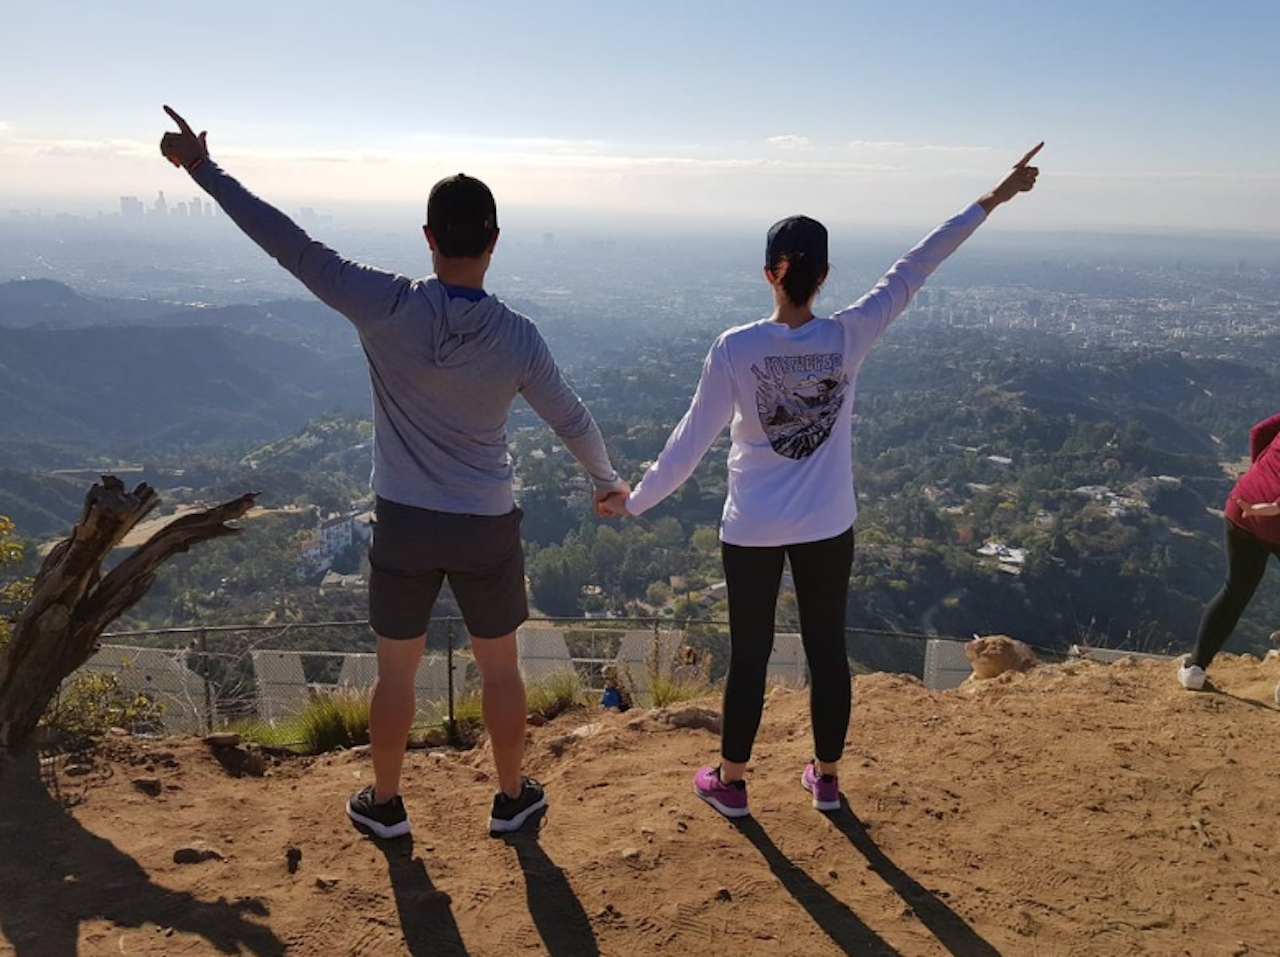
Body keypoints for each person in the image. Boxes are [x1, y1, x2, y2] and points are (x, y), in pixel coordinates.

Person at [160, 107, 629, 837]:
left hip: (405, 522)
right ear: (495, 242)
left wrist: (203, 169)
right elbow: (571, 418)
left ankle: (385, 804)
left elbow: (290, 244)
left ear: (429, 238)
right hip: (486, 524)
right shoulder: (519, 338)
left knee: (395, 674)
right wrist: (607, 481)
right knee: (502, 673)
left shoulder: (384, 305)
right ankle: (511, 799)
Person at [600, 145, 1043, 818]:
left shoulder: (736, 348)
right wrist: (995, 196)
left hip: (749, 527)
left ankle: (733, 781)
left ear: (768, 274)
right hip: (828, 523)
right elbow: (917, 263)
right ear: (825, 276)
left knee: (749, 657)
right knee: (827, 650)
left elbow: (690, 441)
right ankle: (827, 779)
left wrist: (634, 501)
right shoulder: (849, 334)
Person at [1178, 412, 1280, 699]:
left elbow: (1258, 432)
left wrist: (1262, 476)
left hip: (1242, 507)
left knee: (1235, 590)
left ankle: (1195, 669)